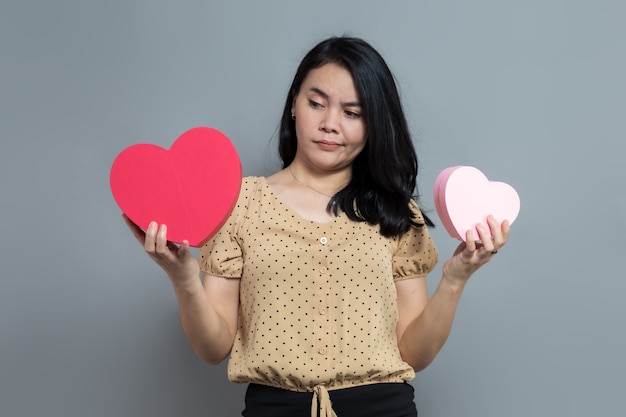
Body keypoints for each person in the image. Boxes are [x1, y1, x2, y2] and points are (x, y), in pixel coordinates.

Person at [124, 36, 510, 417]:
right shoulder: (238, 205)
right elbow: (212, 349)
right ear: (294, 103)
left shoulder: (395, 213)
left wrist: (456, 278)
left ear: (373, 124)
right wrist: (184, 278)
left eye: (352, 113)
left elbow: (415, 353)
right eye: (316, 103)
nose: (330, 124)